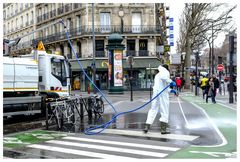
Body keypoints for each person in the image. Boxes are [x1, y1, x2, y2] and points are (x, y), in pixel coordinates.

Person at [143, 64, 177, 134]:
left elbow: (164, 86)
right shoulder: (165, 72)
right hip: (162, 95)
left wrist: (171, 90)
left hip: (156, 94)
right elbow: (163, 77)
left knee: (153, 109)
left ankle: (147, 126)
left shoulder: (157, 75)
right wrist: (171, 81)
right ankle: (163, 129)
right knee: (164, 110)